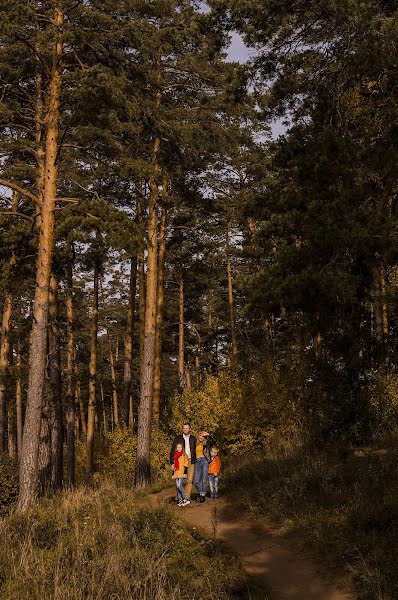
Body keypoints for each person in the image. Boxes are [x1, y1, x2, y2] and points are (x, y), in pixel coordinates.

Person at [170, 423, 196, 501]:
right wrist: (172, 462)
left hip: (190, 460)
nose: (185, 429)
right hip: (180, 461)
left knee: (189, 479)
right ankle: (179, 496)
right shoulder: (178, 438)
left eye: (186, 428)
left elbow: (196, 449)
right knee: (179, 478)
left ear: (190, 429)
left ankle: (186, 496)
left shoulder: (193, 438)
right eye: (183, 428)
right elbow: (173, 450)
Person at [194, 430, 212, 502]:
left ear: (205, 437)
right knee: (195, 481)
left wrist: (208, 434)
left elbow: (214, 440)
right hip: (197, 462)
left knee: (204, 480)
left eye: (202, 436)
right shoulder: (196, 444)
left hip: (204, 461)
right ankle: (201, 493)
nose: (201, 437)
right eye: (200, 435)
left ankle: (202, 496)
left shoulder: (207, 444)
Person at [172, 442, 190, 506]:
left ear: (182, 448)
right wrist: (173, 473)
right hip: (176, 473)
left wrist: (185, 473)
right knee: (178, 487)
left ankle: (185, 499)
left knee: (180, 486)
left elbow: (186, 464)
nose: (179, 448)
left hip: (181, 472)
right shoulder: (175, 455)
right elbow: (174, 465)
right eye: (178, 447)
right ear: (176, 448)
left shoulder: (184, 455)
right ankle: (180, 501)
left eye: (180, 447)